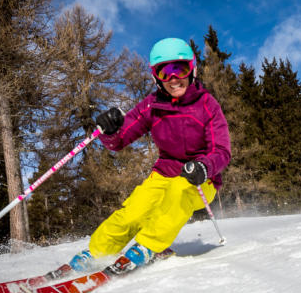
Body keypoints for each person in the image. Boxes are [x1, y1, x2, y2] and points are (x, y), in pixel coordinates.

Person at [69, 37, 231, 274]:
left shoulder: (207, 105)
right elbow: (120, 140)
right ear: (156, 77)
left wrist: (205, 166)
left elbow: (222, 151)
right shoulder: (151, 105)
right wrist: (111, 130)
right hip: (163, 174)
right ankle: (96, 252)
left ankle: (149, 246)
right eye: (166, 72)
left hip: (200, 179)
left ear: (192, 70)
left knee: (178, 194)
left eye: (181, 69)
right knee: (135, 209)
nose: (174, 78)